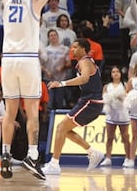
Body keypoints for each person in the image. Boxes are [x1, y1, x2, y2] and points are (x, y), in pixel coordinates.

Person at [0, 0, 72, 180]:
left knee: (10, 113)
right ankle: (32, 155)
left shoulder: (7, 2)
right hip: (28, 60)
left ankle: (6, 155)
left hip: (8, 61)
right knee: (32, 111)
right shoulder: (34, 3)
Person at [42, 39, 104, 175]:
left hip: (91, 101)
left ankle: (54, 164)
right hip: (90, 102)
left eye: (75, 47)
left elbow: (84, 79)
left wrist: (61, 83)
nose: (72, 49)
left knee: (60, 127)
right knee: (64, 130)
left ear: (83, 49)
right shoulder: (84, 62)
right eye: (71, 47)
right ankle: (93, 152)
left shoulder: (85, 61)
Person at [100, 66, 130, 167]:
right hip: (111, 115)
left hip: (123, 115)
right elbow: (104, 99)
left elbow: (129, 99)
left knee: (125, 138)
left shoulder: (125, 85)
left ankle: (128, 158)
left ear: (121, 74)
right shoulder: (106, 86)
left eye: (118, 71)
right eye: (113, 72)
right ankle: (108, 158)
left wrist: (122, 98)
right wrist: (109, 99)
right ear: (111, 74)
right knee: (109, 138)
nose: (116, 73)